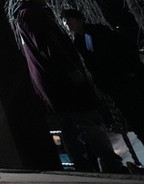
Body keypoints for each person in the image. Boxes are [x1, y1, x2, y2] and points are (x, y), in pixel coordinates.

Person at [14, 0, 124, 173]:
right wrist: (69, 69)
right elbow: (47, 45)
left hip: (51, 81)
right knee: (87, 119)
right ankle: (110, 162)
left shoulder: (25, 16)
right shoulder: (32, 14)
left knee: (70, 125)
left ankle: (84, 166)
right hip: (61, 79)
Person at [61, 9, 144, 140]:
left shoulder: (98, 31)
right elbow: (92, 65)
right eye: (65, 22)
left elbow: (121, 48)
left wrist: (129, 71)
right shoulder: (78, 41)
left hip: (125, 78)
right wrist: (100, 85)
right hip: (112, 85)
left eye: (69, 20)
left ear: (79, 20)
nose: (67, 24)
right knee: (132, 117)